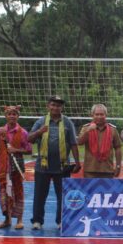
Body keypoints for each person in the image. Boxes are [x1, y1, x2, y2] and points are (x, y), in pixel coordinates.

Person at [28, 96, 81, 230]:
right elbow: (29, 139)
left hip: (62, 166)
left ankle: (61, 221)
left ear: (62, 108)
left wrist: (77, 162)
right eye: (53, 105)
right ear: (48, 106)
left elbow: (73, 143)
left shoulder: (67, 122)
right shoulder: (41, 122)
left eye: (58, 105)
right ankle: (37, 221)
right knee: (39, 195)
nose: (56, 107)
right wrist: (39, 132)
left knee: (62, 196)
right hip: (43, 166)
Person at [0, 105, 32, 229]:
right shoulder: (0, 130)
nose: (12, 116)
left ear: (18, 116)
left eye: (14, 114)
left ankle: (19, 220)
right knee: (5, 192)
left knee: (18, 192)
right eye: (9, 114)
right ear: (6, 116)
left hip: (17, 166)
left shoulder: (23, 132)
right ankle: (7, 220)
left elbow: (29, 150)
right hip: (3, 167)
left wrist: (15, 150)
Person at [77, 104, 123, 179]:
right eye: (97, 114)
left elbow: (118, 148)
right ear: (92, 115)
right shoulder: (86, 128)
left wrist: (118, 166)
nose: (99, 117)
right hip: (90, 171)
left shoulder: (113, 130)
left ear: (106, 115)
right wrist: (88, 131)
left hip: (107, 170)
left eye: (102, 114)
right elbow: (79, 142)